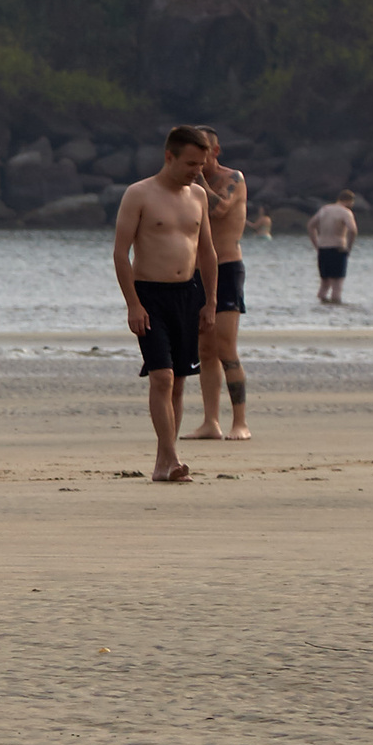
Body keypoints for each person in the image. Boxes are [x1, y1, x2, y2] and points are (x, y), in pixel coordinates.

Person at [112, 126, 220, 481]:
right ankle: (172, 458)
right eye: (190, 163)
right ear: (169, 156)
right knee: (161, 376)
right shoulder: (139, 194)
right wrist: (133, 304)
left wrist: (210, 301)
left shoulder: (199, 196)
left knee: (178, 381)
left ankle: (163, 463)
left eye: (201, 165)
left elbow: (206, 251)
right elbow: (121, 252)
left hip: (187, 295)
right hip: (150, 296)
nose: (196, 171)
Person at [186, 127, 251, 442]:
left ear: (215, 151)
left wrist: (197, 180)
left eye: (204, 151)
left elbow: (219, 209)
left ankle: (240, 422)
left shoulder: (232, 179)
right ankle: (210, 421)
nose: (198, 159)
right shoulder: (185, 182)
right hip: (195, 272)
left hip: (226, 268)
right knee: (205, 349)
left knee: (226, 346)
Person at [307, 190, 359, 305]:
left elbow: (311, 226)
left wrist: (316, 244)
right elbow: (353, 230)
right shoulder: (345, 212)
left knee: (324, 284)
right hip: (337, 248)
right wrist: (348, 248)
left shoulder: (324, 210)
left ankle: (321, 305)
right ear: (350, 201)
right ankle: (334, 310)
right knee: (337, 285)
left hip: (323, 248)